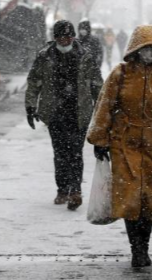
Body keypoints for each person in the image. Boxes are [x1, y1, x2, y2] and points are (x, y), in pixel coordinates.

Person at [87, 25, 152, 268]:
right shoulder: (120, 74)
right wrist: (100, 139)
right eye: (144, 48)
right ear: (135, 49)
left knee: (149, 198)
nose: (148, 53)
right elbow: (104, 106)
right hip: (125, 143)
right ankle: (136, 248)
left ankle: (144, 244)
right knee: (129, 196)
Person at [25, 20, 103, 211]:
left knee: (76, 151)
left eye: (69, 36)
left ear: (74, 36)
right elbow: (34, 81)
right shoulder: (45, 56)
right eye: (61, 36)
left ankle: (75, 190)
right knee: (60, 152)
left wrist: (102, 110)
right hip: (55, 112)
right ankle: (62, 189)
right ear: (55, 37)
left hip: (79, 111)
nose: (65, 40)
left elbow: (96, 84)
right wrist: (30, 106)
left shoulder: (85, 56)